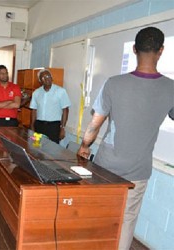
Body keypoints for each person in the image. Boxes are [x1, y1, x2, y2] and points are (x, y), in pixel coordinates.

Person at [77, 27, 174, 250]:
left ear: (134, 49)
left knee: (98, 216)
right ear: (160, 51)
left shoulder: (114, 83)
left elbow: (95, 123)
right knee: (127, 220)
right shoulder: (171, 88)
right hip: (138, 169)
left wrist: (84, 146)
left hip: (106, 167)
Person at [29, 69, 71, 144]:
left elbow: (65, 110)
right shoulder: (36, 93)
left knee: (52, 150)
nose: (46, 78)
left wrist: (62, 128)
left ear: (52, 78)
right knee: (37, 148)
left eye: (48, 76)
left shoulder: (61, 91)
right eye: (43, 77)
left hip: (53, 127)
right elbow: (34, 110)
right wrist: (32, 126)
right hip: (39, 126)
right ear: (40, 81)